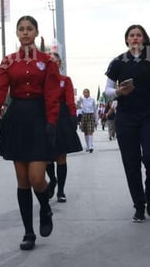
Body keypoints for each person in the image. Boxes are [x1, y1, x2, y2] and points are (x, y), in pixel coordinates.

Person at [0, 15, 60, 250]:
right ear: (17, 34)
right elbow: (0, 89)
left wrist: (51, 121)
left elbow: (52, 93)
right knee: (23, 180)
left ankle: (45, 208)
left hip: (39, 117)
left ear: (36, 32)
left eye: (29, 29)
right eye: (21, 29)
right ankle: (28, 232)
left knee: (38, 177)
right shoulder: (8, 61)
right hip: (17, 118)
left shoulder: (47, 61)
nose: (25, 32)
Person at [104, 24, 150, 223]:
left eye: (139, 35)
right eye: (131, 35)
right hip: (125, 118)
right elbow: (107, 91)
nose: (135, 38)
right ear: (126, 39)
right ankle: (139, 205)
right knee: (131, 163)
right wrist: (119, 92)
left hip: (149, 116)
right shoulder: (118, 62)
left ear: (143, 39)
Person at [46, 51, 83, 203]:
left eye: (55, 61)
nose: (53, 64)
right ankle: (52, 180)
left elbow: (69, 99)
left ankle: (61, 190)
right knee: (47, 155)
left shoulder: (65, 80)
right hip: (45, 116)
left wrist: (73, 116)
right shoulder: (42, 81)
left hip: (62, 117)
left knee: (61, 155)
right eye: (49, 61)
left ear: (60, 64)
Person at [78, 88, 98, 153]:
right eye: (84, 92)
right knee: (86, 131)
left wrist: (96, 119)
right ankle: (87, 146)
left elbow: (95, 110)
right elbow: (78, 107)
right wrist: (79, 101)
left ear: (89, 93)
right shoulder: (82, 100)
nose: (85, 93)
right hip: (84, 115)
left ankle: (91, 146)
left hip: (90, 115)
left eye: (86, 92)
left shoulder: (92, 100)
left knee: (90, 130)